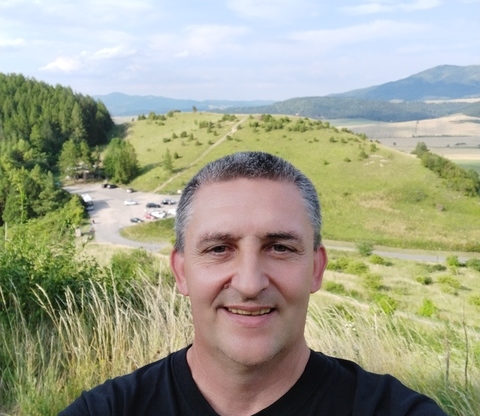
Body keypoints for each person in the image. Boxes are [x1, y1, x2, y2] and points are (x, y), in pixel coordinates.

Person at [59, 151, 447, 416]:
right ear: (181, 271)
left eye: (279, 247)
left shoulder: (393, 410)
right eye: (219, 249)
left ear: (316, 269)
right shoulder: (108, 410)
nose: (249, 283)